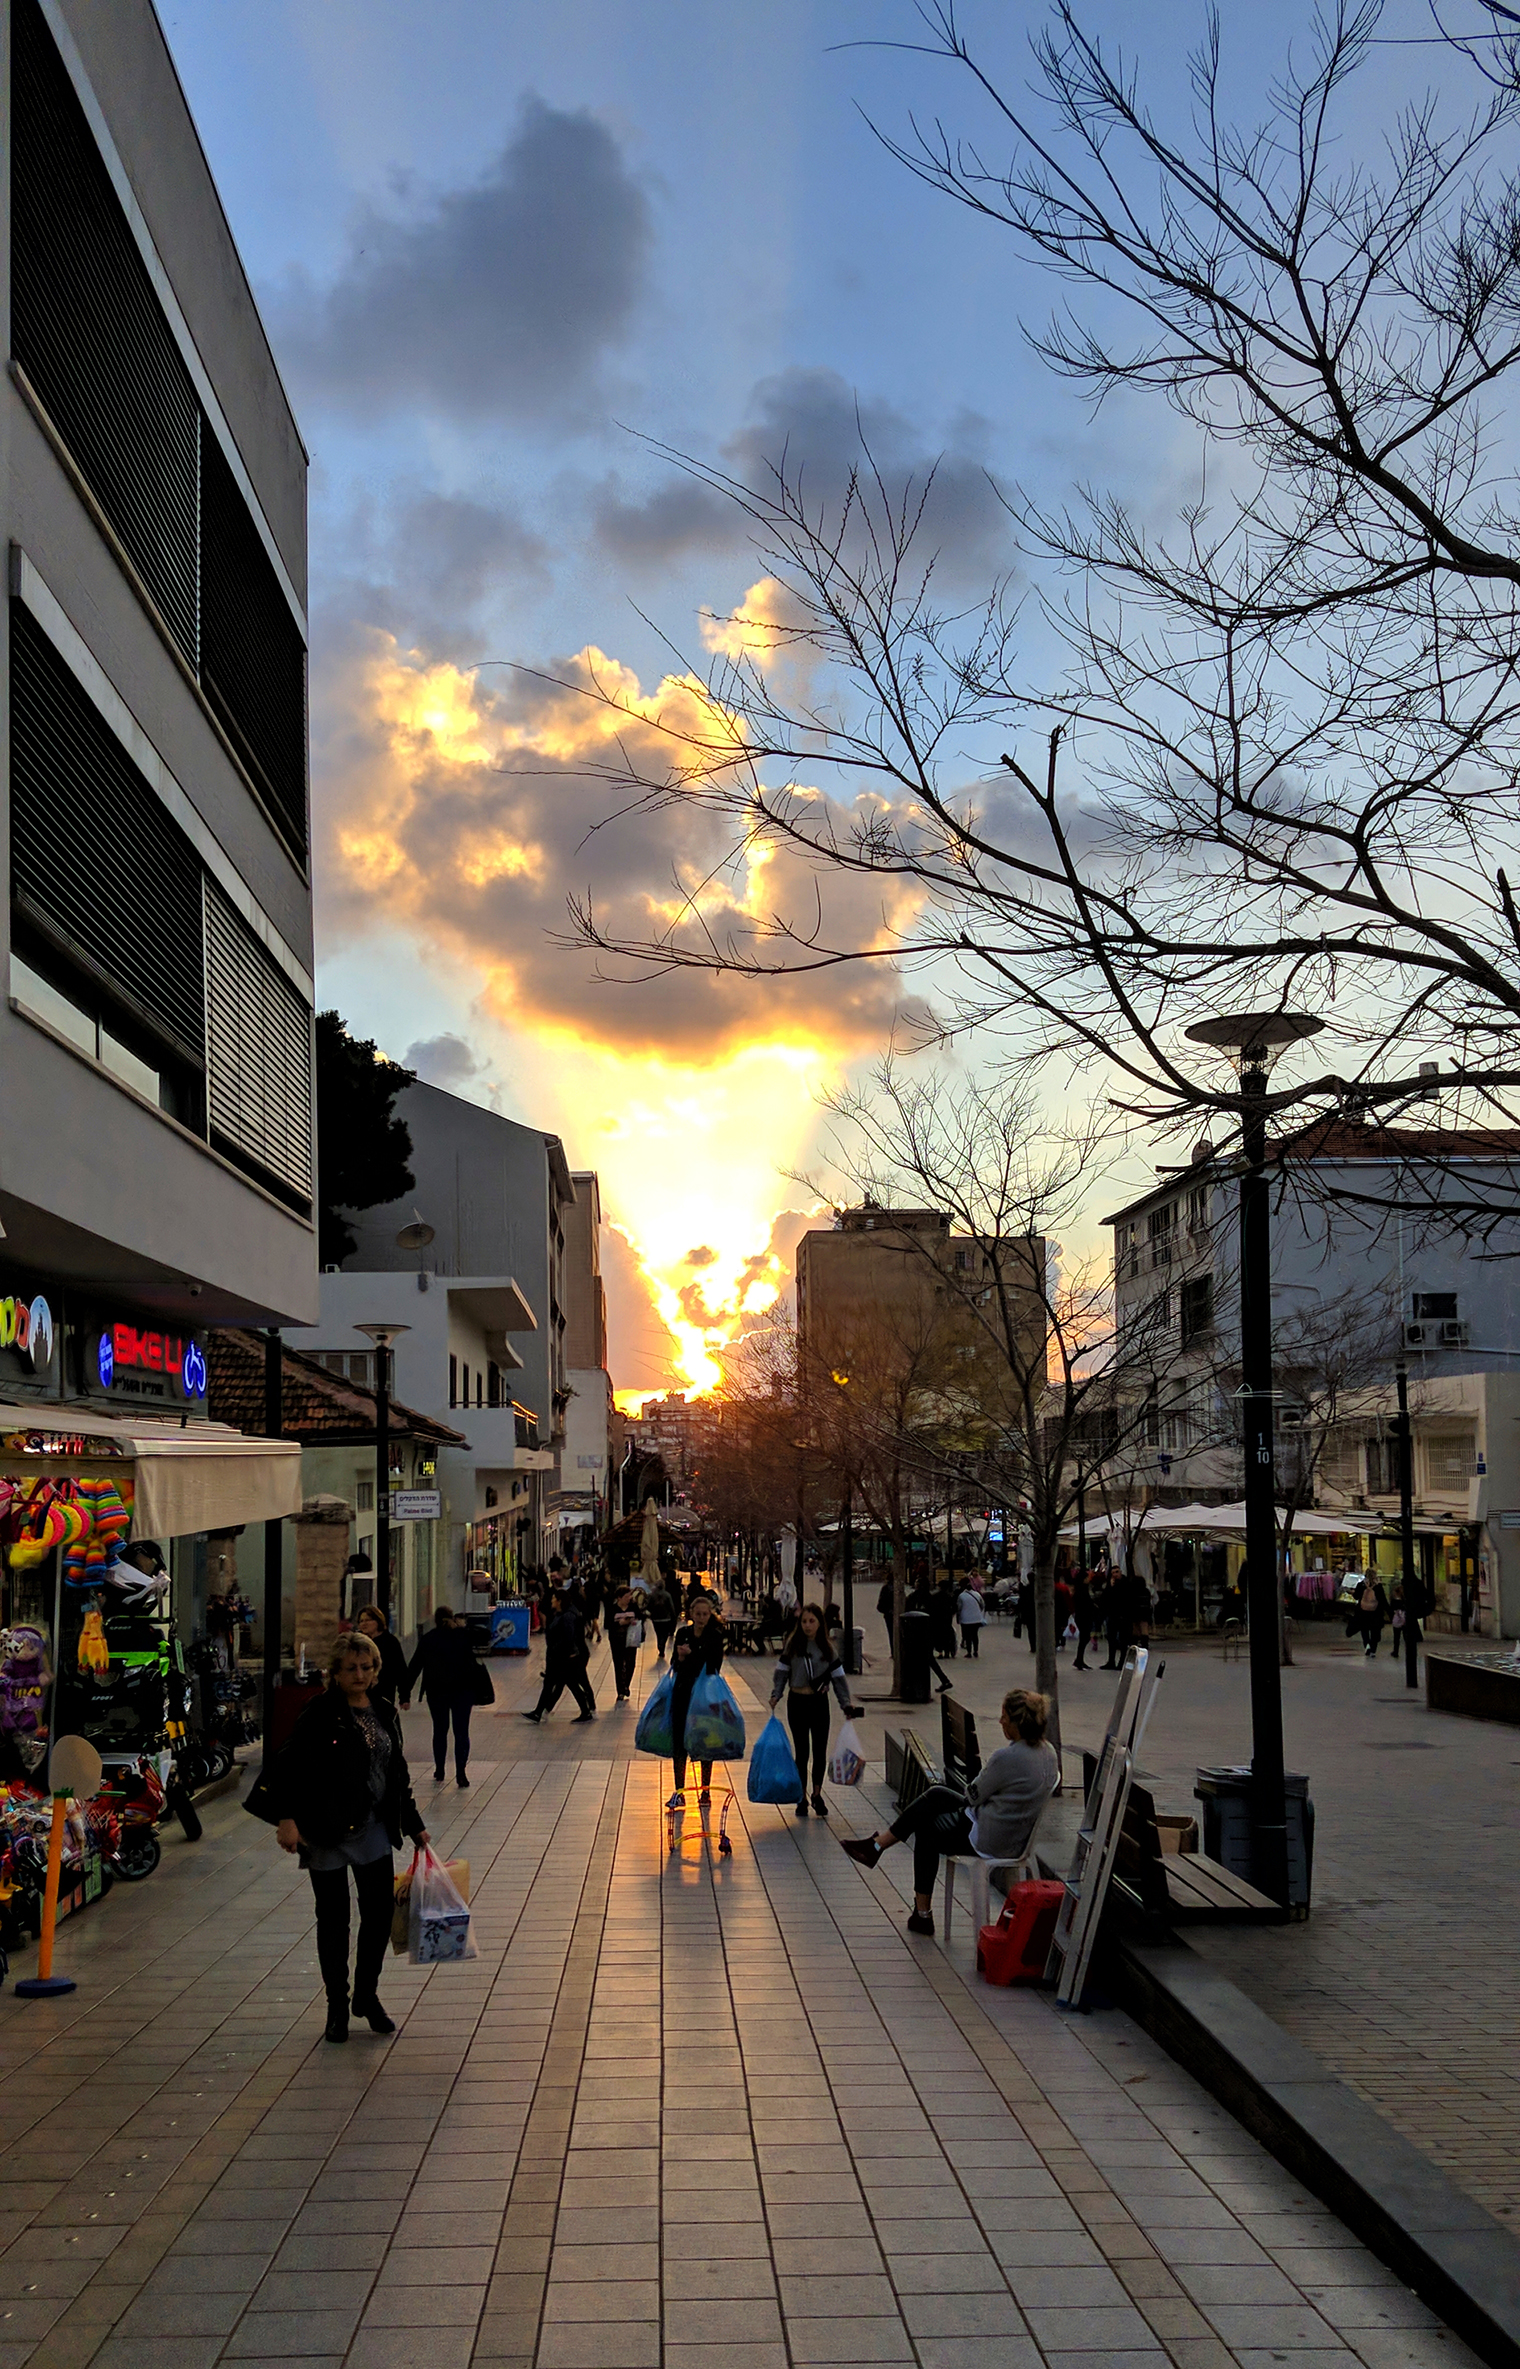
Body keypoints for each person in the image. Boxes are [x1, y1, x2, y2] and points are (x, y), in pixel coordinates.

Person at [249, 1631, 427, 2042]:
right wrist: (286, 1818)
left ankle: (366, 1995)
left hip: (374, 1828)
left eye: (367, 1668)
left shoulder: (383, 1710)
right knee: (333, 1921)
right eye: (352, 1669)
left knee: (379, 1915)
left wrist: (412, 1822)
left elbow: (395, 1773)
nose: (360, 1675)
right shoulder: (319, 1712)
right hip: (325, 1829)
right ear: (335, 1673)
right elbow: (286, 1766)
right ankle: (337, 2006)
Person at [841, 1688, 1059, 1936]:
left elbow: (972, 1796)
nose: (1000, 1722)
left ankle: (918, 1908)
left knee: (927, 1827)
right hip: (1017, 1836)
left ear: (1017, 1722)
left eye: (1004, 1716)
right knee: (936, 1795)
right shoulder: (1048, 1752)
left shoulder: (1007, 1757)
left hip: (991, 1837)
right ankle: (877, 1848)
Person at [770, 1603, 855, 1818]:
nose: (807, 1626)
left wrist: (846, 1703)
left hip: (819, 1703)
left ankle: (817, 1794)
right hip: (797, 1701)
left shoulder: (827, 1648)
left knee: (819, 1751)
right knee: (802, 1752)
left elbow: (838, 1679)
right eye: (804, 1621)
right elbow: (781, 1673)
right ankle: (801, 1796)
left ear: (819, 1623)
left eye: (812, 1621)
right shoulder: (793, 1645)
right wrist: (776, 1694)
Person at [404, 1606, 480, 1786]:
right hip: (462, 1691)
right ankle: (461, 1773)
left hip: (436, 1691)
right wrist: (463, 1627)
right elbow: (484, 1637)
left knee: (440, 1730)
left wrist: (405, 1694)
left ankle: (439, 1769)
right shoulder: (462, 1636)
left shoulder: (428, 1639)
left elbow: (414, 1667)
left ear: (435, 1620)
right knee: (461, 1732)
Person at [668, 1593, 726, 1809]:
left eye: (705, 1614)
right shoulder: (682, 1633)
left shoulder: (715, 1636)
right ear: (691, 1614)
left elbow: (713, 1666)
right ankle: (679, 1790)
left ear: (710, 1614)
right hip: (683, 1692)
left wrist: (691, 1656)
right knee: (679, 1743)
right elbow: (675, 1662)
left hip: (704, 1695)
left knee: (704, 1741)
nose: (701, 1617)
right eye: (698, 1613)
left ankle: (705, 1790)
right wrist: (682, 1657)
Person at [522, 1589, 597, 1722]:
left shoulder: (567, 1616)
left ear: (559, 1601)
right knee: (556, 1684)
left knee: (564, 1683)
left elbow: (569, 1636)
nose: (552, 1601)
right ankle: (539, 1712)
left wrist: (569, 1652)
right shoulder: (563, 1613)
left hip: (561, 1657)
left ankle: (585, 1710)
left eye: (553, 1599)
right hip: (559, 1656)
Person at [354, 1604, 408, 1704]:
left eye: (368, 1620)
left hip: (384, 1693)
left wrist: (404, 1696)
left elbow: (400, 1669)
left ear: (378, 1621)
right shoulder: (357, 1642)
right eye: (361, 1621)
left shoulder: (390, 1642)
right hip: (361, 1693)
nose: (364, 1624)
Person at [608, 1585, 643, 1703]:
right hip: (616, 1641)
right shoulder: (612, 1609)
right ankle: (620, 1691)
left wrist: (634, 1621)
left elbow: (640, 1618)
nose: (629, 1598)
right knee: (618, 1665)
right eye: (627, 1596)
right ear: (619, 1598)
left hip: (631, 1640)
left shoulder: (633, 1607)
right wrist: (620, 1623)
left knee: (630, 1664)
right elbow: (607, 1625)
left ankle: (626, 1684)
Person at [1353, 1572, 1388, 1657]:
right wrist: (1389, 1612)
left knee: (1364, 1630)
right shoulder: (1378, 1587)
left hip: (1363, 1612)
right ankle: (1373, 1649)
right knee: (1375, 1631)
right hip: (1376, 1613)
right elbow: (1383, 1600)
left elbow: (1356, 1596)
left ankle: (1367, 1645)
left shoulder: (1361, 1585)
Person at [644, 1577, 675, 1662]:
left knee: (658, 1633)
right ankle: (662, 1645)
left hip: (656, 1619)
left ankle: (659, 1646)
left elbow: (648, 1606)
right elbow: (671, 1607)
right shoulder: (667, 1595)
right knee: (665, 1634)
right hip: (666, 1618)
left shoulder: (652, 1595)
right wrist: (673, 1616)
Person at [957, 1581, 988, 1659]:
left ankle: (969, 1652)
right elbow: (982, 1605)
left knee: (967, 1636)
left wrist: (958, 1617)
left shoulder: (961, 1596)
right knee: (975, 1635)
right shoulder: (977, 1594)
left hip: (965, 1619)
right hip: (976, 1618)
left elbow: (959, 1608)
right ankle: (976, 1651)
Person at [1071, 1573, 1095, 1672]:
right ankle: (1079, 1659)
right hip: (1084, 1616)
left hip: (1081, 1616)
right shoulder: (1082, 1591)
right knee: (1084, 1638)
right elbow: (1086, 1603)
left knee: (1084, 1638)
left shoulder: (1079, 1590)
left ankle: (1079, 1659)